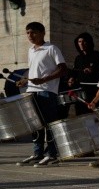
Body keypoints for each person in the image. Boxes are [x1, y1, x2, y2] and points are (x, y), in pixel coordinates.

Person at [16, 22, 68, 167]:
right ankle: (38, 153)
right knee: (35, 125)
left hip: (47, 91)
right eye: (27, 33)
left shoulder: (52, 48)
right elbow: (34, 70)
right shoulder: (31, 50)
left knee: (49, 123)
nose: (30, 36)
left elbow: (63, 69)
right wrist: (24, 80)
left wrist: (44, 80)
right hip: (31, 91)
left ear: (42, 33)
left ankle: (52, 154)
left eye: (33, 32)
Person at [70, 32, 99, 116]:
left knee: (95, 114)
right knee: (81, 114)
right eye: (79, 42)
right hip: (81, 92)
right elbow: (75, 72)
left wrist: (93, 69)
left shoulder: (97, 55)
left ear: (89, 42)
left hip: (94, 91)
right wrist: (72, 78)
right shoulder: (78, 58)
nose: (82, 44)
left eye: (84, 41)